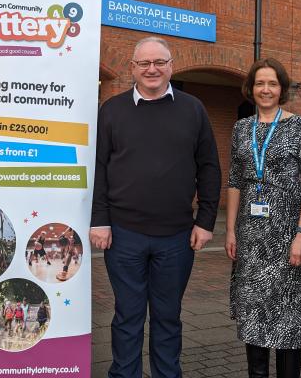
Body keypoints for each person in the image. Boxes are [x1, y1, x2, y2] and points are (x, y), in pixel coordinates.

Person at [90, 36, 221, 378]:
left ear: (171, 67)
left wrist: (206, 220)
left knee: (167, 316)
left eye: (159, 62)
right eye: (144, 63)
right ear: (132, 68)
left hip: (177, 237)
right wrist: (99, 220)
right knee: (128, 315)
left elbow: (209, 167)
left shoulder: (193, 109)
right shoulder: (112, 110)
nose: (152, 69)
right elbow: (99, 167)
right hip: (123, 235)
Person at [225, 58, 301, 378]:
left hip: (288, 232)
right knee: (254, 310)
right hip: (252, 236)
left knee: (289, 311)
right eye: (260, 84)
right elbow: (236, 180)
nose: (266, 89)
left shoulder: (299, 126)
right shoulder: (241, 128)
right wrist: (231, 231)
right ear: (251, 89)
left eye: (272, 84)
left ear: (282, 89)